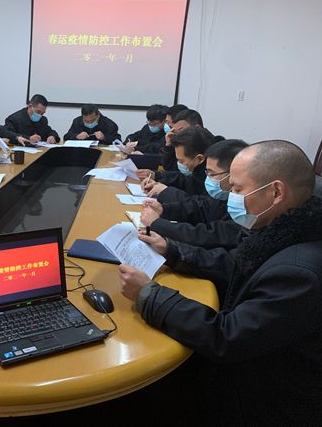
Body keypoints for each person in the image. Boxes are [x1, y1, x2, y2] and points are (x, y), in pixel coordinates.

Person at [119, 140, 322, 426]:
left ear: (276, 192)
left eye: (237, 189)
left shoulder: (300, 273)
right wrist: (173, 251)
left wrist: (149, 295)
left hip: (261, 399)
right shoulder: (279, 230)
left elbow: (228, 337)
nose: (230, 198)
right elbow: (233, 264)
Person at [140, 139, 248, 250]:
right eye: (207, 172)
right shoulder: (223, 194)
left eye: (212, 173)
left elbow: (209, 235)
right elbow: (201, 207)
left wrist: (159, 225)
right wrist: (164, 209)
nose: (208, 178)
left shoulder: (244, 209)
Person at [142, 126, 215, 199]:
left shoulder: (213, 181)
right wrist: (157, 178)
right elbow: (184, 181)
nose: (178, 164)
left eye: (181, 161)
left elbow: (200, 203)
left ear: (199, 159)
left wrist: (166, 192)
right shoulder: (197, 170)